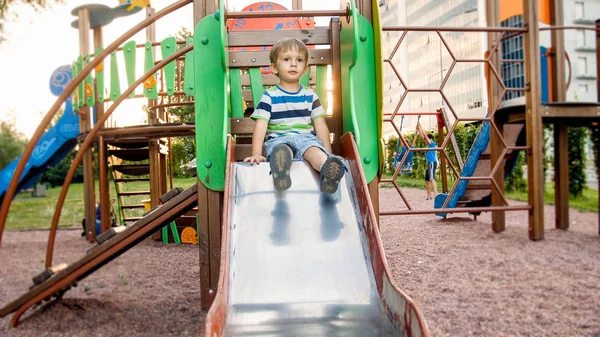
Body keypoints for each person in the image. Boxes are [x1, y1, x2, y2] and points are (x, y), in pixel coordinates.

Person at [244, 37, 345, 194]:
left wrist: (327, 151)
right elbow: (261, 125)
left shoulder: (310, 95)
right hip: (279, 139)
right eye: (286, 59)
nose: (293, 64)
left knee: (315, 152)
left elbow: (320, 125)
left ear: (305, 69)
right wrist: (256, 153)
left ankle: (328, 172)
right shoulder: (269, 96)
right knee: (283, 152)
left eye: (299, 60)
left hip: (306, 139)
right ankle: (281, 172)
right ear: (274, 68)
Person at [417, 121, 438, 200]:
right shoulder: (429, 145)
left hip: (432, 162)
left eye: (427, 139)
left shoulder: (433, 144)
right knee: (427, 180)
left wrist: (420, 125)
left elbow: (425, 136)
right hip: (429, 163)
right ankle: (429, 196)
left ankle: (436, 195)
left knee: (432, 178)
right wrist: (419, 130)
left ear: (431, 139)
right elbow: (423, 137)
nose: (426, 140)